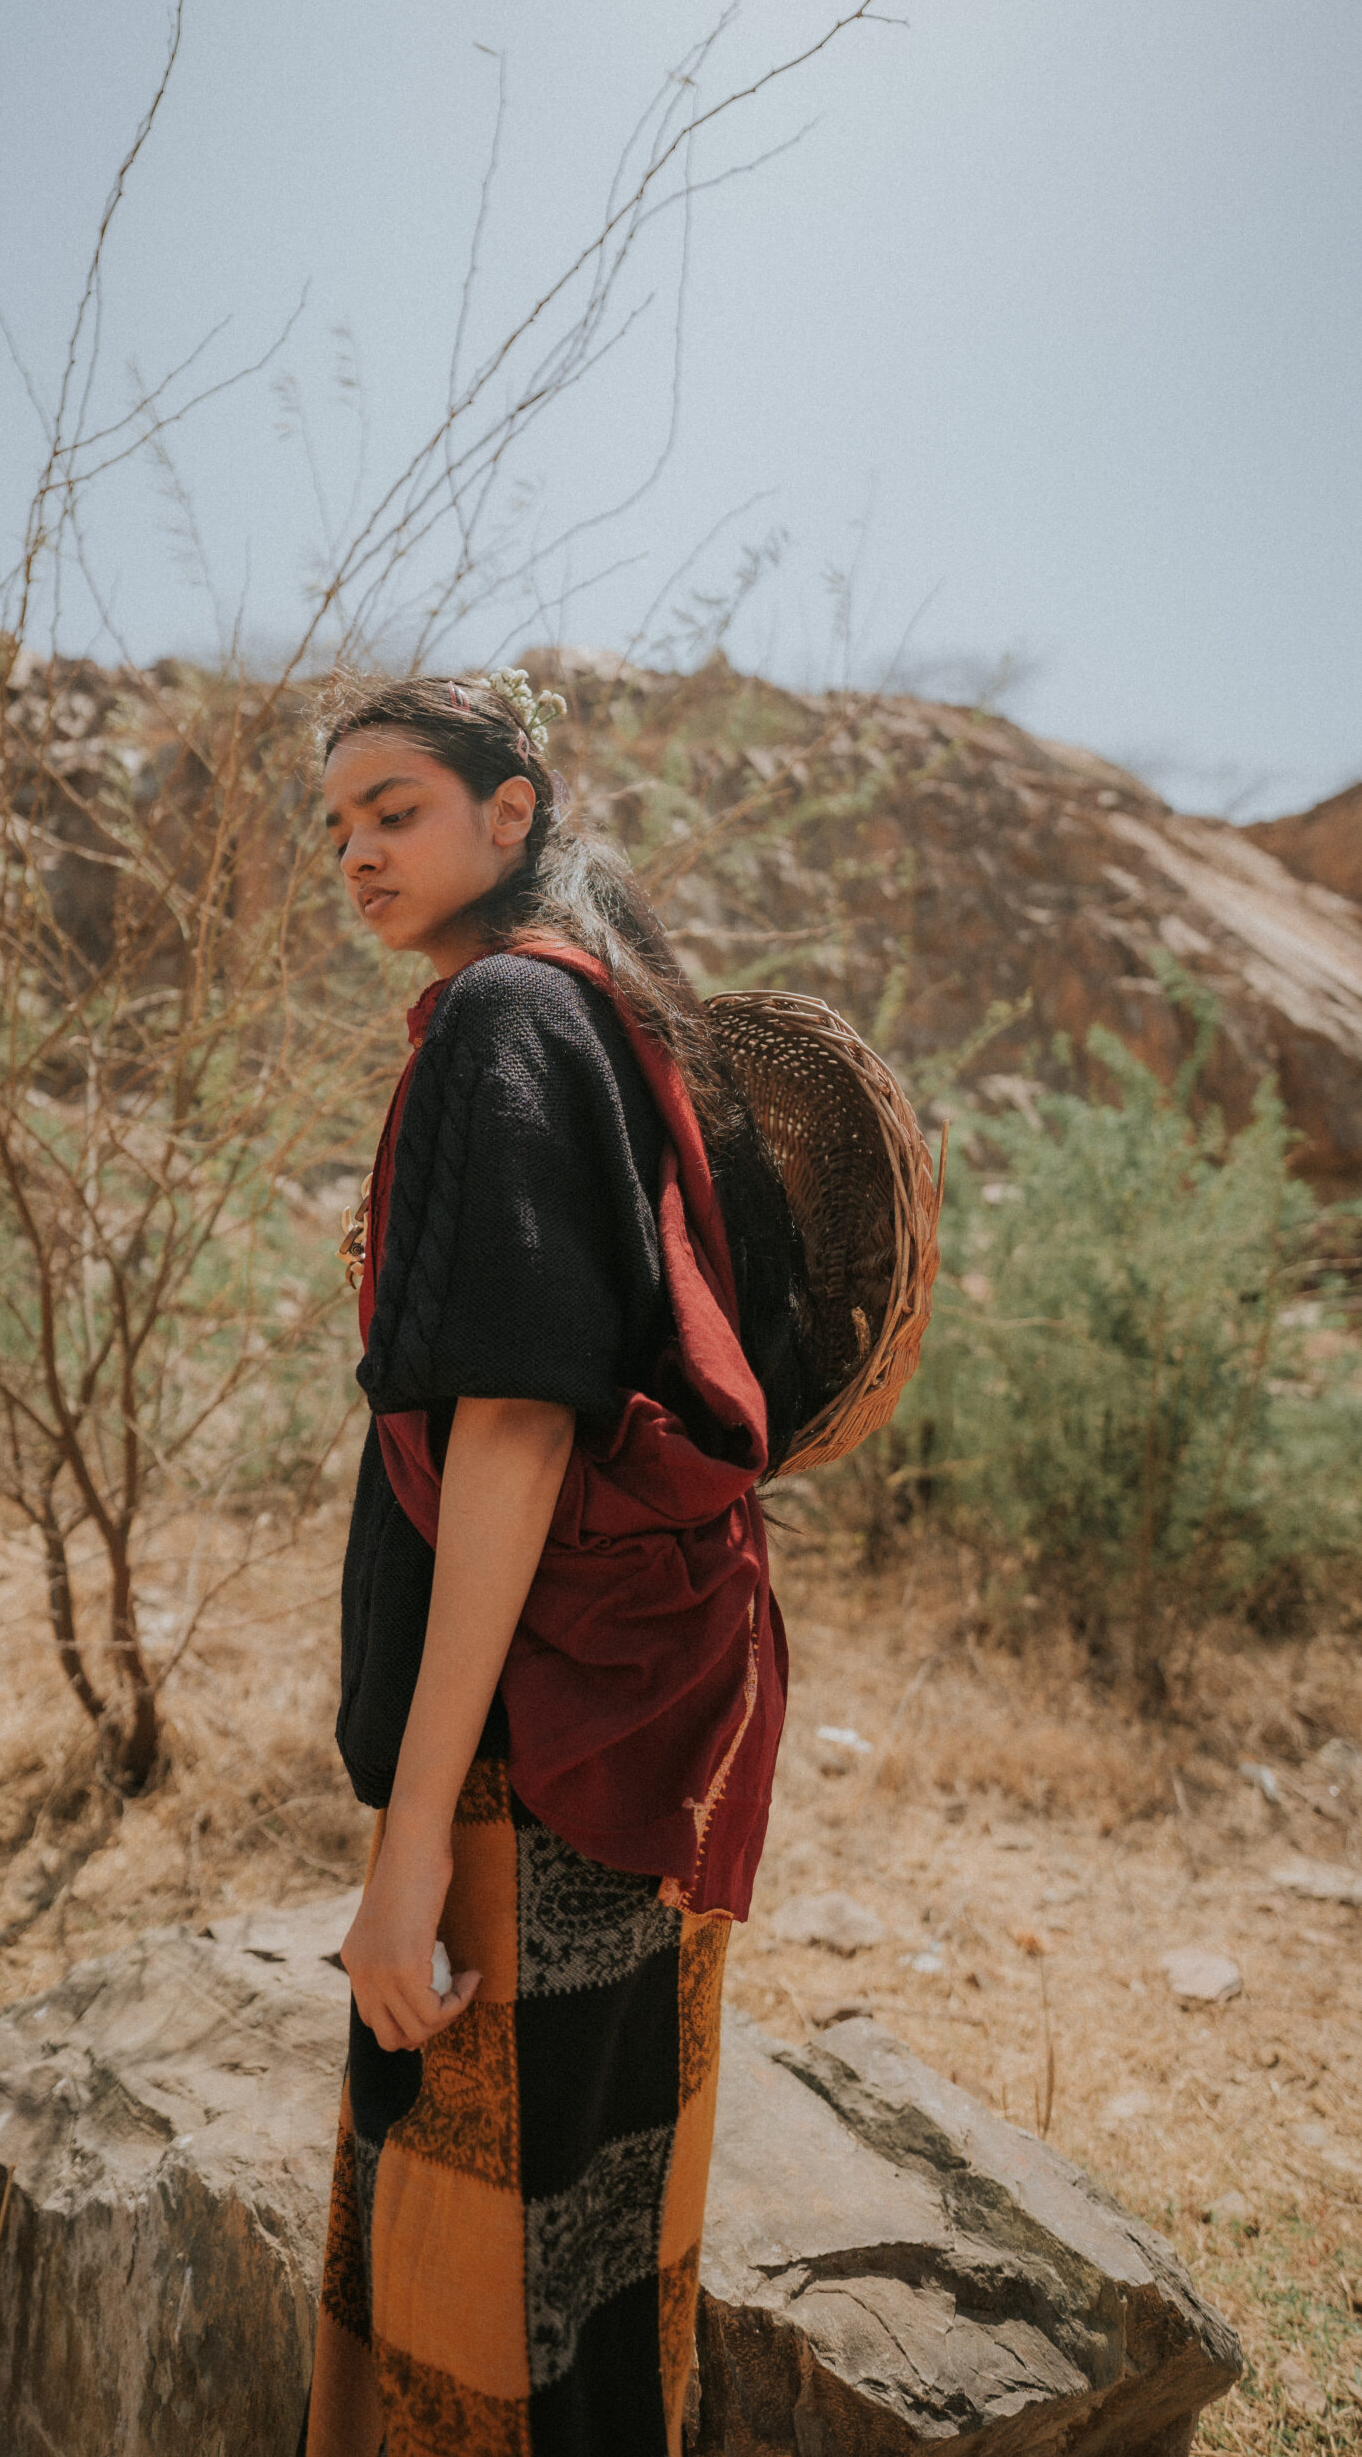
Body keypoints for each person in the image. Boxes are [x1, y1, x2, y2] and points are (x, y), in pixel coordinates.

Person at [303, 670, 822, 2457]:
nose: (358, 854)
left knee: (485, 2288)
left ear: (509, 812)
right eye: (339, 826)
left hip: (538, 1750)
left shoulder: (506, 1014)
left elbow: (516, 1432)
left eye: (396, 812)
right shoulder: (602, 1005)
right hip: (634, 1712)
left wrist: (408, 1854)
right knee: (596, 2241)